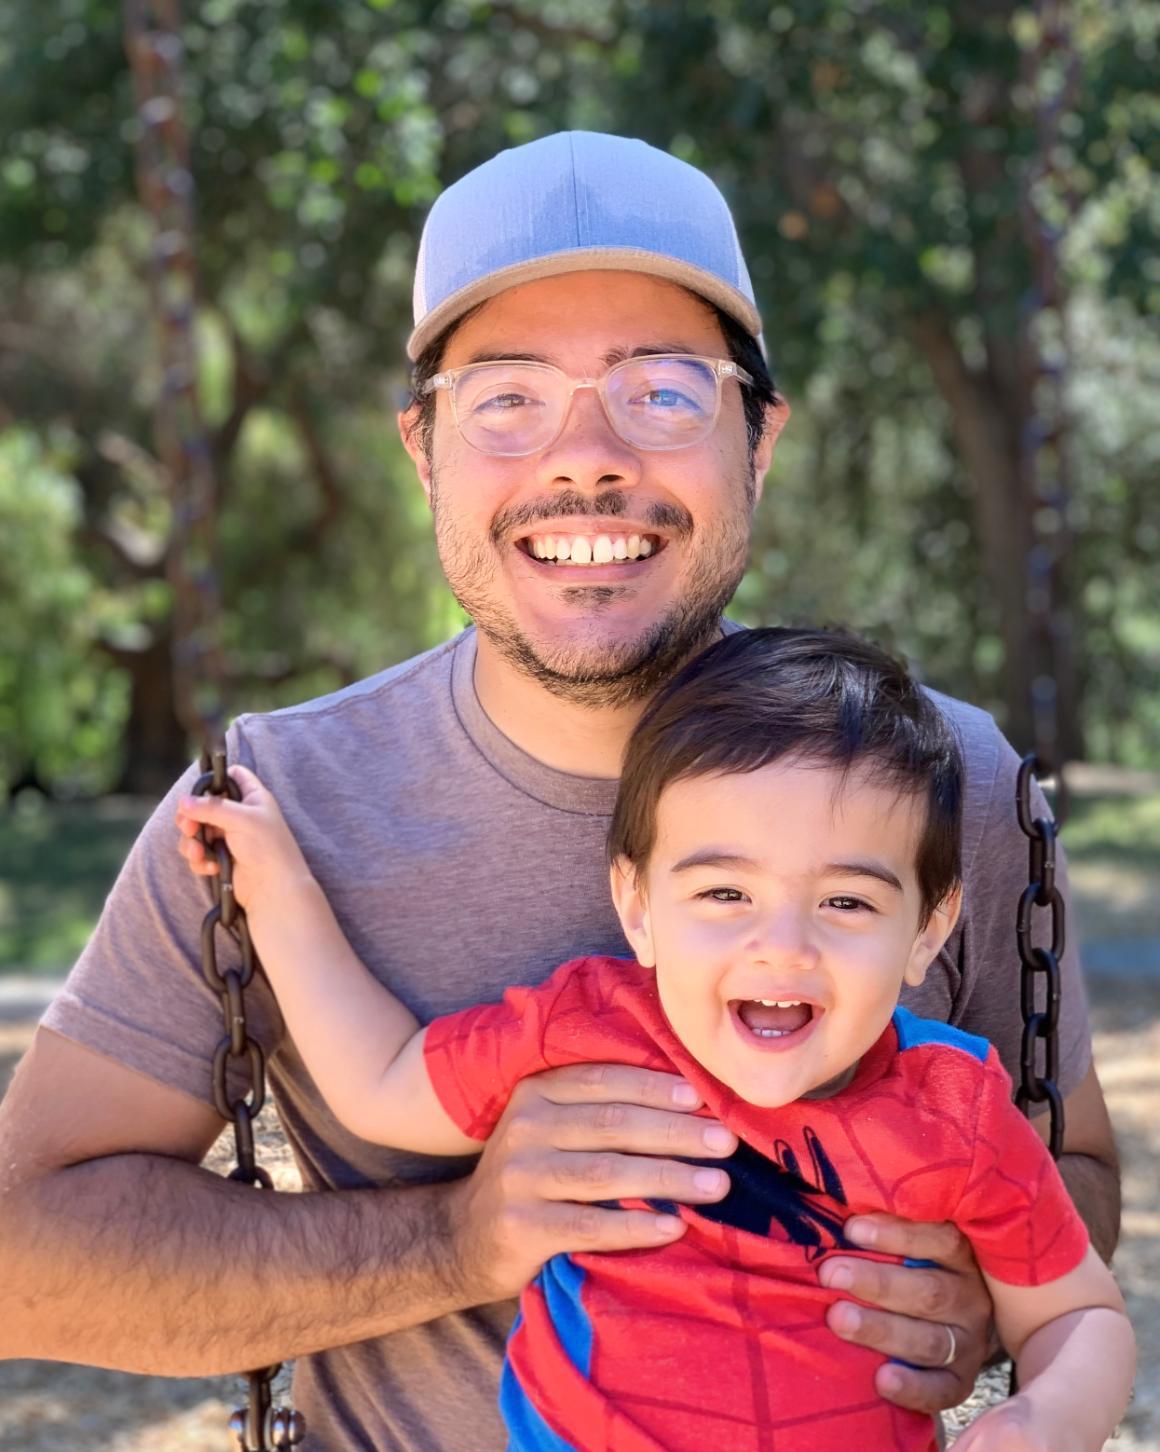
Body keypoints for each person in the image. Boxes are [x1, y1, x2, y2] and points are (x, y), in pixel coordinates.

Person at [0, 133, 1119, 1451]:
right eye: (507, 397)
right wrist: (454, 1241)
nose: (586, 460)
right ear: (422, 450)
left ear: (761, 440)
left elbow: (1067, 1178)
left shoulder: (949, 783)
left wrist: (983, 1309)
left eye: (662, 392)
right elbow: (24, 1264)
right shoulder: (269, 808)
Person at [174, 627, 1135, 1452]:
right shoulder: (589, 1027)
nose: (783, 947)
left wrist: (1044, 1421)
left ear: (928, 927)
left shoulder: (954, 1112)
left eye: (846, 901)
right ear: (636, 905)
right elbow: (381, 1081)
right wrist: (280, 892)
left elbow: (1077, 1314)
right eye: (725, 893)